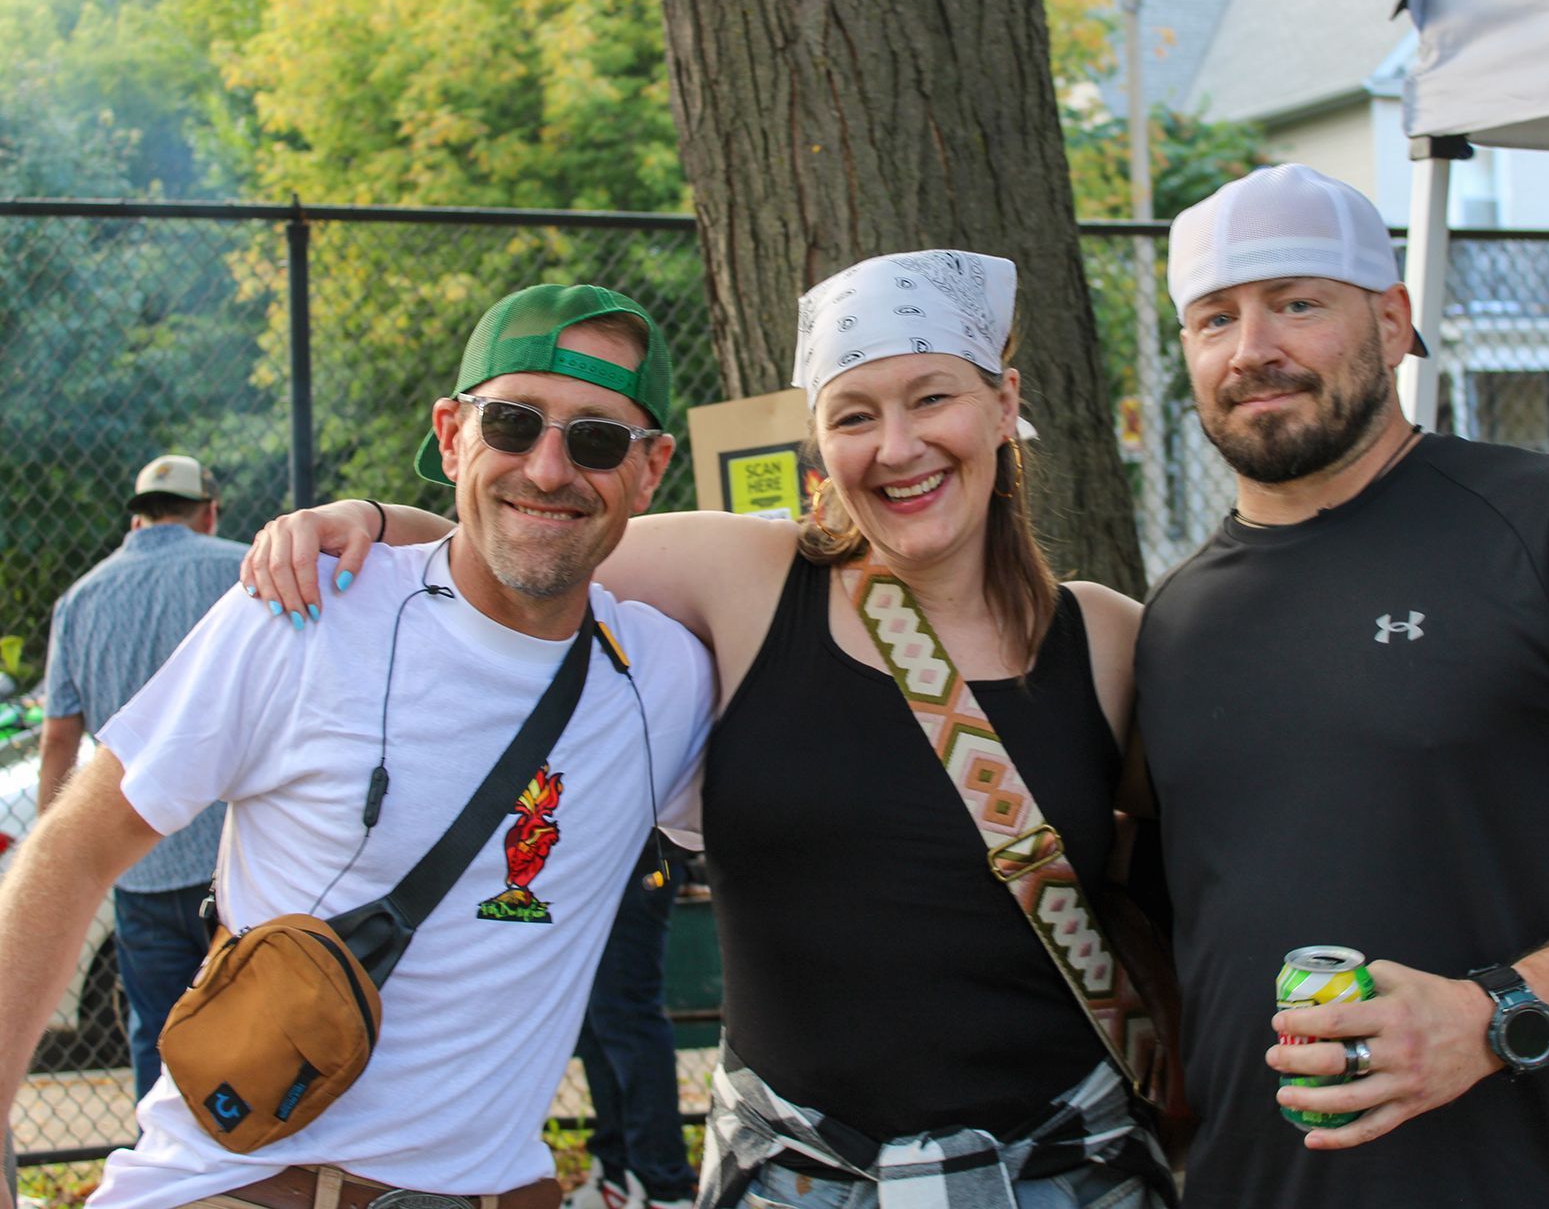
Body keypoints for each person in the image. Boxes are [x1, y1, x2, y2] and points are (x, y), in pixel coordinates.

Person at [240, 249, 1175, 1209]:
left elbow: (1233, 854)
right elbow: (527, 537)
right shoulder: (749, 579)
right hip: (795, 1173)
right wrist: (363, 518)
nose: (896, 448)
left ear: (1001, 401)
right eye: (855, 415)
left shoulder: (1107, 641)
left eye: (931, 399)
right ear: (819, 443)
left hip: (1067, 1168)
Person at [1133, 164, 1549, 1208]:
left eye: (1299, 303)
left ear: (1396, 318)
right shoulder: (1175, 620)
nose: (1252, 349)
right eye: (1213, 317)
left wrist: (1493, 1015)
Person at [0, 283, 713, 1209]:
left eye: (597, 439)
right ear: (452, 435)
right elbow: (76, 843)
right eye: (511, 423)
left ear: (650, 467)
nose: (547, 468)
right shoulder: (307, 610)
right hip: (243, 1188)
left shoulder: (664, 680)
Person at [39, 454, 250, 1098]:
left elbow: (57, 740)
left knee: (157, 1039)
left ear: (137, 515)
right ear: (208, 511)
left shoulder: (79, 600)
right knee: (256, 1030)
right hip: (238, 857)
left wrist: (61, 857)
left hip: (140, 865)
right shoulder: (242, 569)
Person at [567, 839, 697, 1209]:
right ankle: (617, 1176)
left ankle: (664, 1187)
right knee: (598, 1018)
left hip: (643, 853)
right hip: (595, 851)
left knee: (626, 1012)